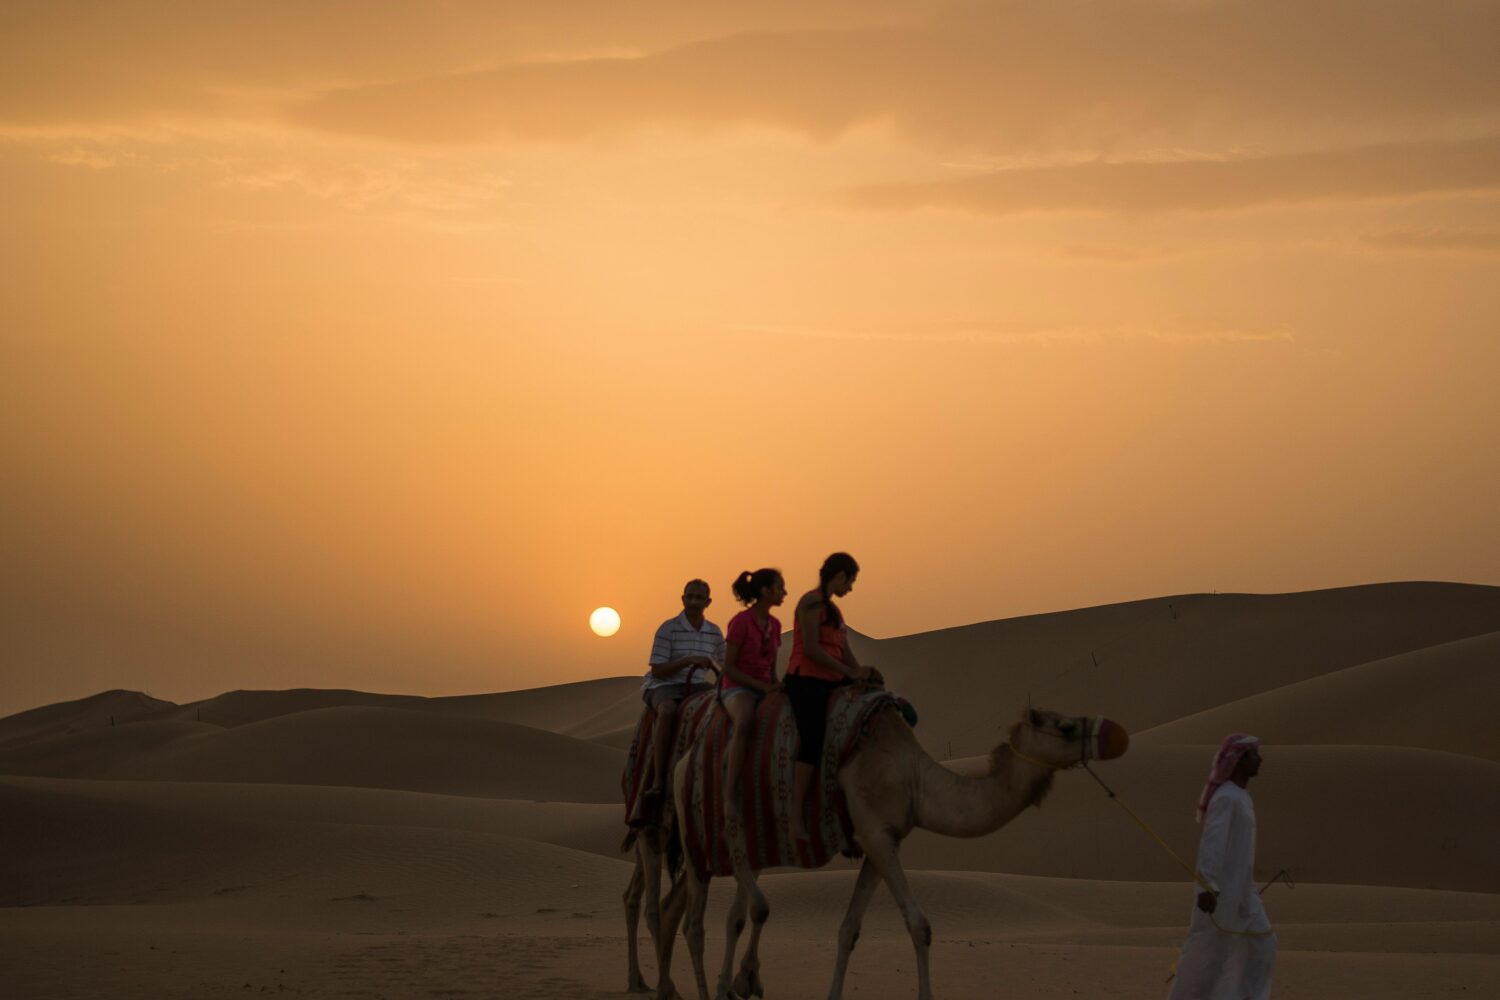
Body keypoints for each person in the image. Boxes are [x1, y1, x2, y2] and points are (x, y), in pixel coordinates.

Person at [1168, 734, 1276, 1000]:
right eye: (1253, 755)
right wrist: (1207, 885)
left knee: (1263, 944)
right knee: (1208, 956)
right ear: (1239, 760)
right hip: (1221, 894)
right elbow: (1212, 842)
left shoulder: (1241, 796)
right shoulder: (1226, 797)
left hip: (1243, 892)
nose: (1259, 760)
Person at [784, 552, 876, 843]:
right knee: (813, 739)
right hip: (805, 680)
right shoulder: (810, 603)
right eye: (850, 581)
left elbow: (845, 651)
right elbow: (811, 649)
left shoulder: (835, 613)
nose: (850, 587)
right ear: (839, 576)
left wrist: (860, 672)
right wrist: (845, 671)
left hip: (831, 680)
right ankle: (795, 814)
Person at [640, 579, 724, 802]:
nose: (694, 602)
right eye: (690, 597)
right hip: (663, 685)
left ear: (708, 602)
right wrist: (688, 660)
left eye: (699, 597)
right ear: (683, 599)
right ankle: (658, 780)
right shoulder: (668, 629)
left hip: (696, 686)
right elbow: (657, 670)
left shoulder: (714, 633)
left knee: (726, 706)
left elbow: (724, 665)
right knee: (667, 711)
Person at [720, 567, 786, 812]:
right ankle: (729, 794)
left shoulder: (775, 624)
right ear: (765, 591)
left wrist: (776, 685)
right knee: (745, 722)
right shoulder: (740, 622)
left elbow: (771, 667)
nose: (785, 592)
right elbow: (730, 668)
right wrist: (761, 686)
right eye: (780, 587)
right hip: (737, 688)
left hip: (765, 687)